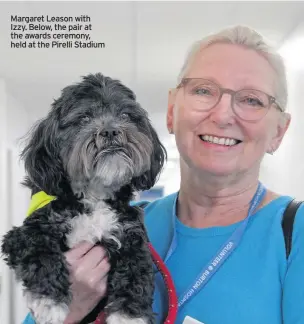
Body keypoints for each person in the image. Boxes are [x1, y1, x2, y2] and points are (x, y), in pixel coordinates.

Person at [23, 25, 304, 324]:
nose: (223, 116)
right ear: (171, 112)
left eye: (252, 100)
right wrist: (70, 309)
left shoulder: (294, 233)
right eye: (203, 90)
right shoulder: (122, 224)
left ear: (279, 132)